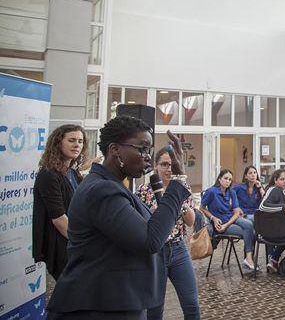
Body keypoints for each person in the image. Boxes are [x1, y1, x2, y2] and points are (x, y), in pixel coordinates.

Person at [46, 116, 191, 319]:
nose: (147, 156)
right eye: (142, 148)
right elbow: (150, 240)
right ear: (115, 150)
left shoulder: (112, 185)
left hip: (116, 301)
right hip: (97, 307)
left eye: (149, 150)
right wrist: (179, 181)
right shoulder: (102, 190)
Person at [137, 147, 199, 320]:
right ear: (156, 166)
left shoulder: (182, 186)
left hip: (178, 249)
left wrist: (182, 206)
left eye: (172, 165)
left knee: (192, 304)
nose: (169, 169)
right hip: (156, 253)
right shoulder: (144, 190)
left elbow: (191, 221)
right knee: (155, 309)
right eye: (164, 164)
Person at [32, 124, 87, 281]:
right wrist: (84, 242)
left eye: (80, 141)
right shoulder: (48, 175)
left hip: (75, 243)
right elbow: (58, 219)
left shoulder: (73, 173)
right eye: (71, 140)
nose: (77, 144)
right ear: (58, 143)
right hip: (62, 247)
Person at [200, 169, 258, 270]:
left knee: (249, 225)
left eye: (230, 179)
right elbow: (202, 208)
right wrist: (213, 218)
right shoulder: (211, 191)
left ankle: (248, 258)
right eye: (225, 178)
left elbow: (236, 212)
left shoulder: (231, 192)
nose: (228, 181)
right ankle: (249, 258)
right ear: (219, 179)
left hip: (230, 219)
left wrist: (226, 225)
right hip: (219, 223)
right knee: (248, 232)